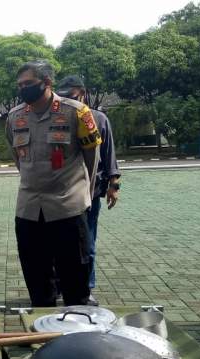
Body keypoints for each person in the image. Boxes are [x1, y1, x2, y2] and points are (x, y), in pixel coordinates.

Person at [6, 60, 101, 307]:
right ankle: (43, 329)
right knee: (37, 279)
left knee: (74, 279)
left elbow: (92, 158)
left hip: (67, 207)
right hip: (28, 209)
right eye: (20, 85)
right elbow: (19, 159)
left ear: (47, 83)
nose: (23, 89)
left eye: (28, 83)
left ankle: (77, 333)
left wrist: (84, 196)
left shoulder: (76, 112)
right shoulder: (15, 117)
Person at [55, 76, 121, 302]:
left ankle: (86, 287)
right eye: (63, 97)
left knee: (87, 244)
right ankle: (59, 286)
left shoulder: (99, 119)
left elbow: (108, 154)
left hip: (90, 193)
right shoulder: (57, 120)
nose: (67, 101)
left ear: (82, 94)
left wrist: (114, 185)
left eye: (71, 97)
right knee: (59, 244)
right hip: (62, 193)